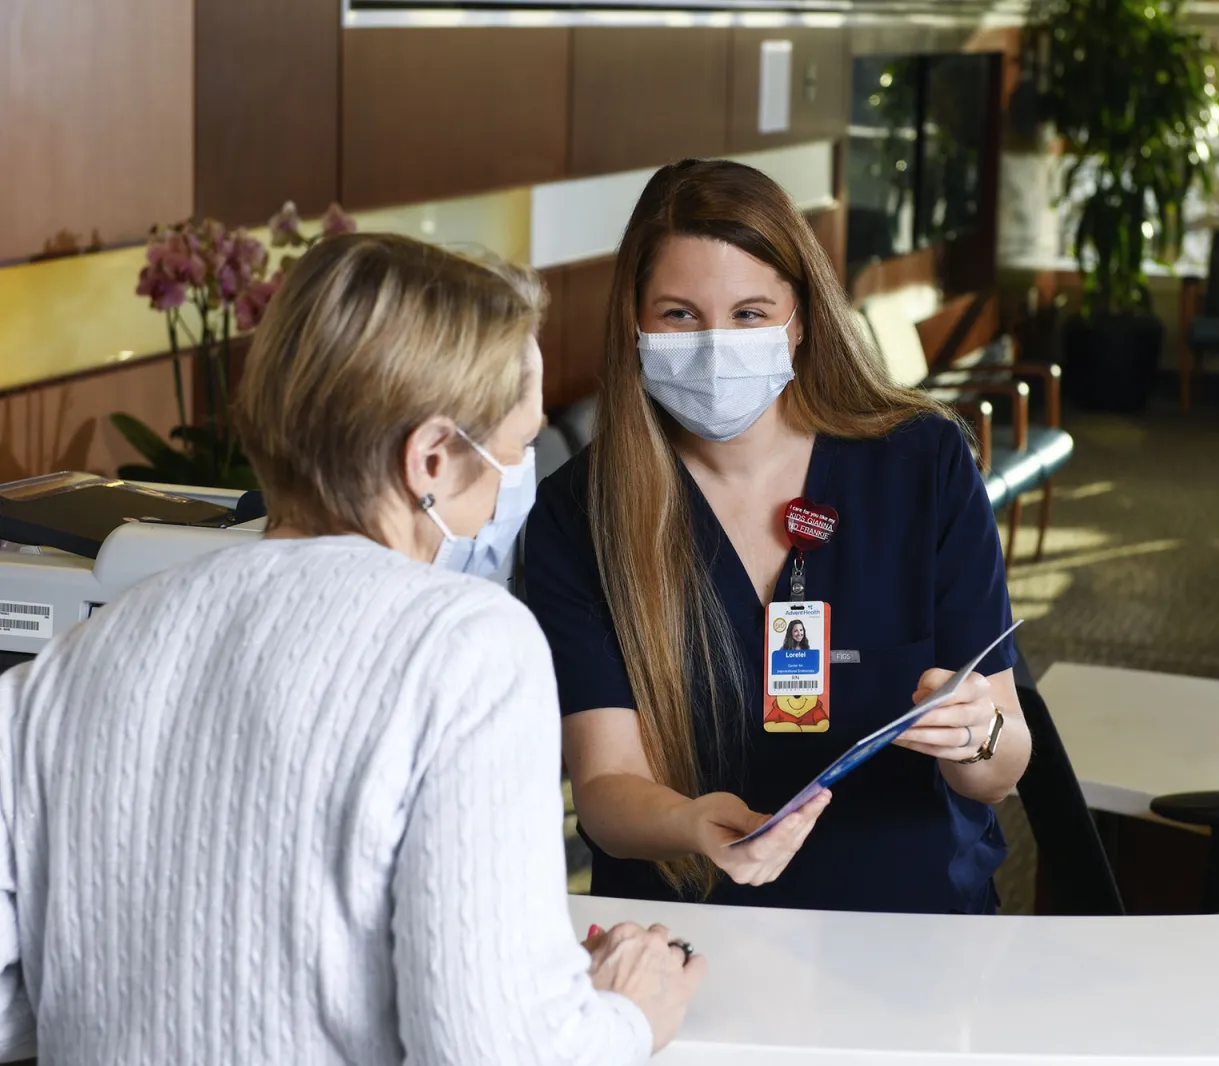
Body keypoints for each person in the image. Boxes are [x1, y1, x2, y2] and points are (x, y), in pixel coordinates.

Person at [0, 233, 701, 1063]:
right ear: (432, 457)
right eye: (517, 444)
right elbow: (493, 1049)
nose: (521, 469)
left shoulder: (78, 658)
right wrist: (625, 1013)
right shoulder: (469, 648)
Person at [523, 160, 1032, 915]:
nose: (715, 344)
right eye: (679, 315)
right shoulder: (580, 513)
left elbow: (1004, 764)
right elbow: (604, 792)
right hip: (696, 930)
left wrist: (975, 737)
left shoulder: (921, 463)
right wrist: (689, 824)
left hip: (914, 929)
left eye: (750, 313)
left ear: (799, 319)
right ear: (634, 323)